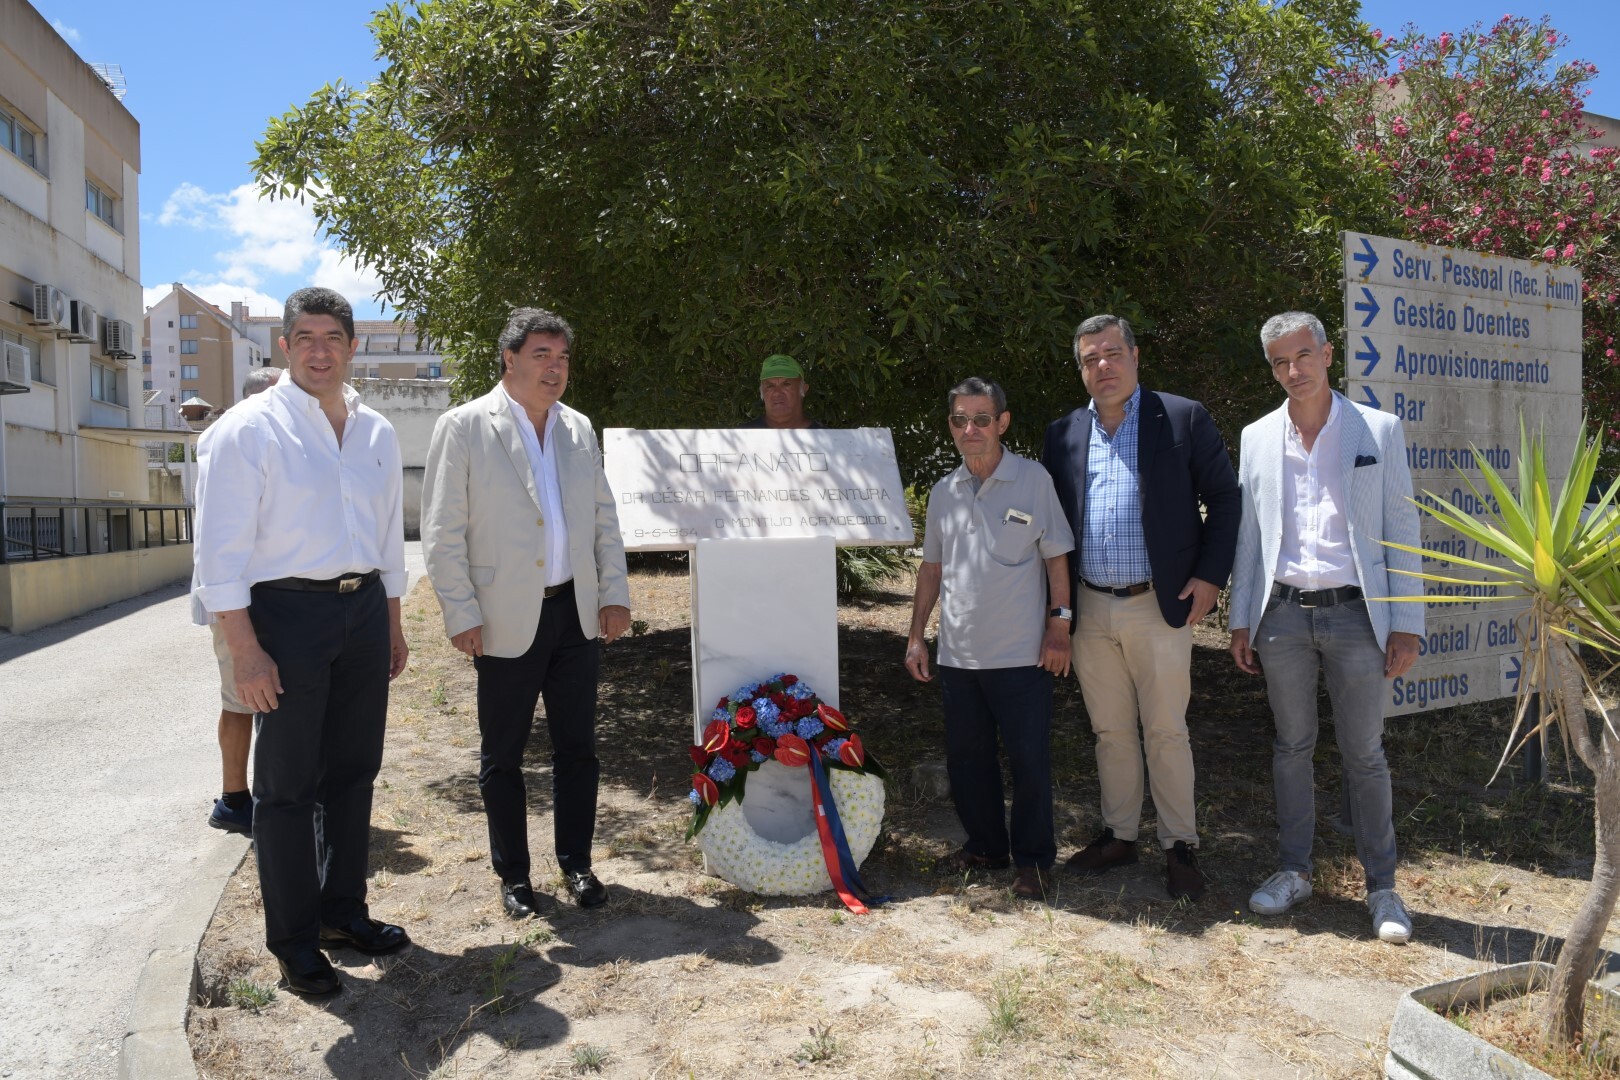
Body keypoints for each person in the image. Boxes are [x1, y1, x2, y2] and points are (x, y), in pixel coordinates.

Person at [193, 288, 411, 996]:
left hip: (364, 611)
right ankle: (293, 944)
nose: (321, 350)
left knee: (354, 773)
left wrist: (395, 623)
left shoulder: (377, 430)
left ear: (353, 347)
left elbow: (387, 538)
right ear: (284, 347)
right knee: (285, 791)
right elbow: (218, 554)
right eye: (306, 337)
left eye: (334, 337)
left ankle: (342, 914)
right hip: (284, 618)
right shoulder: (248, 430)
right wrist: (247, 649)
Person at [421, 307, 631, 918]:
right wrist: (460, 611)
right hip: (503, 615)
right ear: (508, 358)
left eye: (562, 358)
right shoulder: (463, 426)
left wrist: (613, 593)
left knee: (578, 750)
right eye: (542, 355)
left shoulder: (578, 429)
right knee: (503, 756)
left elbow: (603, 520)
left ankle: (577, 865)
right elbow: (442, 532)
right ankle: (514, 877)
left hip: (575, 615)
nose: (555, 369)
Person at [1228, 311, 1422, 944]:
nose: (1293, 371)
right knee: (1291, 747)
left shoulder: (1377, 429)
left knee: (1365, 753)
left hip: (1359, 617)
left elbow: (1402, 530)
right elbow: (1250, 537)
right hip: (1281, 616)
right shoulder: (1256, 436)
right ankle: (1294, 870)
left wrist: (1407, 624)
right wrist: (1240, 618)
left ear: (1328, 353)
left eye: (1303, 356)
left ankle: (1383, 888)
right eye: (1280, 362)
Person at [1042, 314, 1239, 901]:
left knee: (1165, 730)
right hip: (1090, 607)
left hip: (1160, 603)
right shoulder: (1064, 433)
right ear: (1080, 371)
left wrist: (1210, 577)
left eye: (1111, 353)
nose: (1101, 366)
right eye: (1088, 359)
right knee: (1109, 730)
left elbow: (1226, 500)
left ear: (1134, 356)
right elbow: (1051, 529)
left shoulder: (1181, 417)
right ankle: (1120, 836)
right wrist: (1056, 611)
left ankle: (1180, 845)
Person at [905, 377, 1074, 901]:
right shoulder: (943, 492)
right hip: (959, 656)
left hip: (1023, 656)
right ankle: (985, 847)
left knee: (1028, 763)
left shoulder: (1034, 480)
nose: (970, 429)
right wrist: (916, 637)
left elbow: (1057, 560)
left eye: (981, 419)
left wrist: (1060, 628)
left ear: (1002, 422)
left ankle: (1033, 862)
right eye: (960, 419)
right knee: (967, 760)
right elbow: (931, 570)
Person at [201, 365, 281, 836]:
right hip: (237, 596)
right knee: (240, 698)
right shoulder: (229, 438)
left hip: (261, 593)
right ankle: (234, 798)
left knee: (261, 698)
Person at [740, 354, 826, 429]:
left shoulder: (828, 441)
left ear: (803, 389)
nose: (777, 392)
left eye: (786, 384)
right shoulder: (740, 439)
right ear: (761, 391)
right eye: (770, 386)